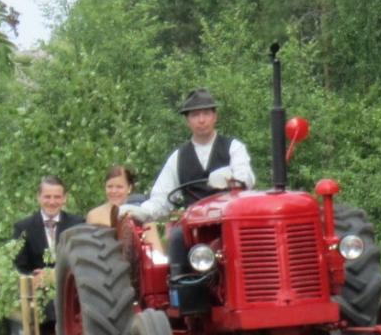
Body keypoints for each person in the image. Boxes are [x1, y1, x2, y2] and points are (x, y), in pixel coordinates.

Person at [121, 88, 255, 275]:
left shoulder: (234, 147)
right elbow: (161, 198)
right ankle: (183, 294)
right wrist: (142, 211)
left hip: (230, 221)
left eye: (206, 113)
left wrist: (234, 180)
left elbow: (245, 177)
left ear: (215, 116)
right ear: (188, 121)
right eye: (195, 115)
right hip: (194, 226)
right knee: (176, 239)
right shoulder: (178, 157)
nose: (201, 120)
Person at [12, 175, 84, 281]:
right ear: (38, 197)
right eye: (47, 197)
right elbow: (18, 267)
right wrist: (35, 276)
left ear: (64, 198)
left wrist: (58, 274)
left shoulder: (78, 224)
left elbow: (83, 262)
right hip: (37, 292)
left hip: (70, 290)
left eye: (57, 197)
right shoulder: (23, 228)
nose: (52, 202)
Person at [87, 165, 163, 251]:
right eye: (110, 187)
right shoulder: (94, 215)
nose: (114, 191)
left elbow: (157, 253)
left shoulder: (141, 214)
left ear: (129, 188)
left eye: (119, 187)